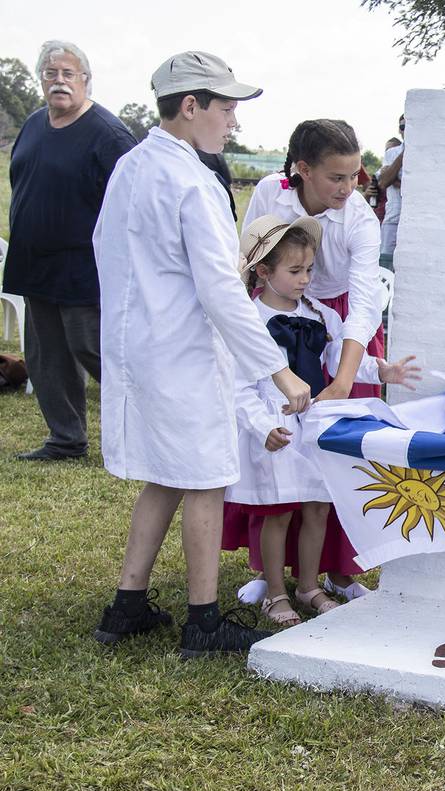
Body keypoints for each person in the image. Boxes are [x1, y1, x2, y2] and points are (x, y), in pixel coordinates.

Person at [90, 51, 312, 657]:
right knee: (207, 479)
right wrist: (279, 369)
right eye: (227, 108)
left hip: (139, 348)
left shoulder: (131, 166)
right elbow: (221, 288)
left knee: (166, 474)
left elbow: (104, 249)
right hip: (184, 352)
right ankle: (204, 621)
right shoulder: (193, 180)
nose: (234, 122)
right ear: (191, 106)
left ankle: (126, 607)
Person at [227, 215, 420, 625]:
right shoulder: (249, 320)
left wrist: (380, 371)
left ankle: (309, 586)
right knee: (278, 511)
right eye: (295, 271)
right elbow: (238, 385)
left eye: (309, 269)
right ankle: (275, 592)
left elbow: (338, 359)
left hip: (315, 425)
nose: (305, 279)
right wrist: (262, 427)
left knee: (317, 507)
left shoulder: (319, 314)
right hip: (276, 426)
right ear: (264, 272)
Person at [239, 118, 385, 601]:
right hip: (276, 311)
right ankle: (269, 573)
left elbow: (365, 303)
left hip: (341, 328)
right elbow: (250, 257)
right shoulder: (270, 192)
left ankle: (338, 572)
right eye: (336, 177)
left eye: (355, 175)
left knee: (341, 456)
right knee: (274, 445)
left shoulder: (360, 218)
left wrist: (342, 380)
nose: (348, 187)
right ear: (303, 170)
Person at [3, 40, 136, 460]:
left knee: (93, 349)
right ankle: (66, 439)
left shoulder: (109, 134)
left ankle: (150, 429)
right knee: (46, 357)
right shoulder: (34, 124)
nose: (58, 81)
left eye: (68, 74)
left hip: (84, 268)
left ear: (85, 80)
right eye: (50, 73)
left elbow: (134, 202)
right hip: (35, 263)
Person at [378, 116, 405, 266]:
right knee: (386, 265)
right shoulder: (392, 153)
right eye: (403, 127)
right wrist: (404, 153)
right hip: (393, 218)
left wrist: (395, 180)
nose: (406, 130)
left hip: (414, 219)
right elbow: (383, 182)